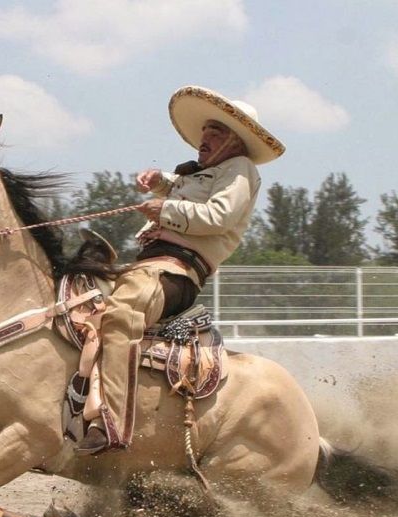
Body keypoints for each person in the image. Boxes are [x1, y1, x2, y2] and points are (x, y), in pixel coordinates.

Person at [76, 85, 285, 454]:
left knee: (122, 314)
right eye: (205, 130)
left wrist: (165, 209)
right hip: (149, 267)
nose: (205, 137)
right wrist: (159, 182)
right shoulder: (206, 173)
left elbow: (219, 216)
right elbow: (182, 185)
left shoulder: (240, 170)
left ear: (236, 142)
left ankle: (111, 422)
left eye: (216, 132)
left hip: (175, 274)